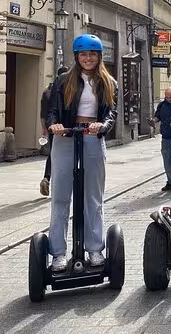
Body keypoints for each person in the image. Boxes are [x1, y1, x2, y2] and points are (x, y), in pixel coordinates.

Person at [46, 34, 118, 271]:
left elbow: (111, 113)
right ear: (77, 56)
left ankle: (95, 249)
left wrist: (103, 126)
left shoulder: (108, 82)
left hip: (92, 137)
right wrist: (54, 125)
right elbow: (52, 110)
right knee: (60, 197)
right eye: (84, 54)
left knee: (93, 198)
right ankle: (57, 253)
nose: (88, 58)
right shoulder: (63, 80)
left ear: (99, 57)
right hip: (65, 136)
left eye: (93, 54)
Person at [39, 66, 68, 196]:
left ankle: (47, 177)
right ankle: (57, 183)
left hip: (50, 125)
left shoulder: (46, 91)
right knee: (62, 154)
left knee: (53, 152)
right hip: (63, 126)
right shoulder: (65, 89)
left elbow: (43, 113)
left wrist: (44, 128)